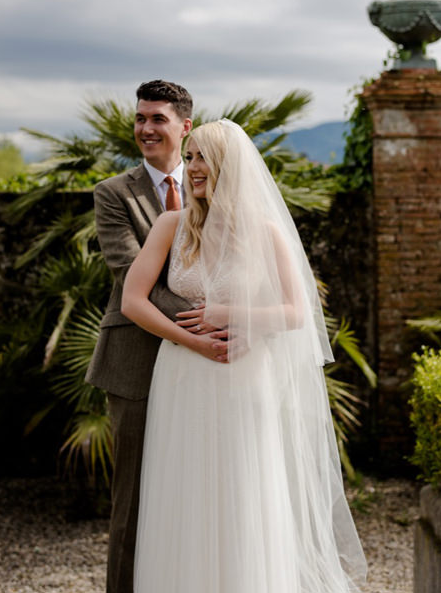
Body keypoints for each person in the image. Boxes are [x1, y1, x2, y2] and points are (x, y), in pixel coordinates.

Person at [122, 119, 367, 591]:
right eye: (189, 157)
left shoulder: (266, 232)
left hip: (244, 379)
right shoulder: (171, 227)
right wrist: (192, 339)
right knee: (186, 492)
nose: (192, 167)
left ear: (229, 166)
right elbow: (133, 301)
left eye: (202, 158)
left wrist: (228, 312)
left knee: (245, 491)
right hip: (183, 375)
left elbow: (296, 312)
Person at [85, 80, 227, 593]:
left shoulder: (217, 184)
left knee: (201, 493)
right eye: (140, 118)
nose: (145, 128)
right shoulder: (113, 193)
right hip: (135, 363)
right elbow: (128, 272)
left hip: (211, 365)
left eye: (157, 119)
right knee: (135, 497)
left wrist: (231, 318)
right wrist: (206, 320)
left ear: (185, 125)